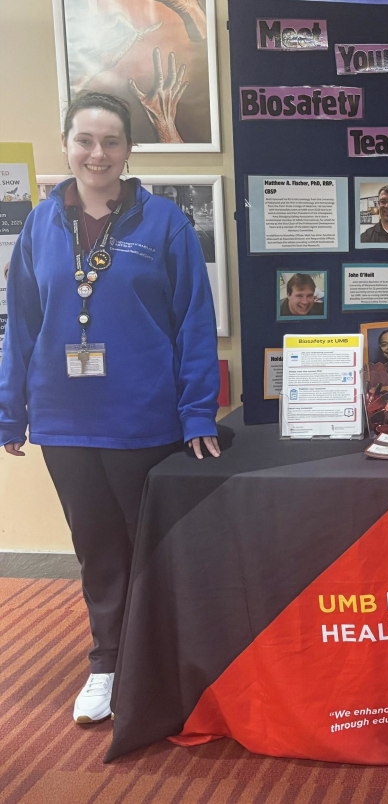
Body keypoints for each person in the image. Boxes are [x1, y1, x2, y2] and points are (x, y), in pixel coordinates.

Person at [0, 92, 220, 724]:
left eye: (112, 142)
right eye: (85, 140)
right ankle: (107, 663)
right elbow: (21, 324)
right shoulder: (41, 225)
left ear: (129, 150)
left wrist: (198, 410)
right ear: (66, 143)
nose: (98, 154)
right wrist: (10, 410)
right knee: (95, 547)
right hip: (64, 420)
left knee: (149, 545)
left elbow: (193, 325)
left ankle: (162, 660)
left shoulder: (165, 224)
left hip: (144, 417)